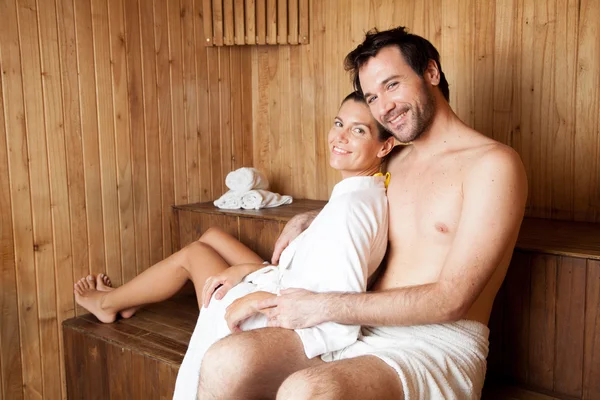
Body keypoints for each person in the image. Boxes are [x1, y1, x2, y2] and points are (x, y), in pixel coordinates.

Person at [196, 26, 528, 400]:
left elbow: (451, 300)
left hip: (435, 345)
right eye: (372, 96)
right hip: (360, 326)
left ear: (431, 73)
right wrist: (308, 219)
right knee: (225, 360)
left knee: (308, 391)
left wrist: (322, 307)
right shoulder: (394, 161)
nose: (384, 106)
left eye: (392, 85)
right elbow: (354, 209)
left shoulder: (493, 165)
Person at [72, 92, 395, 398]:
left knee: (195, 254)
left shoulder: (350, 208)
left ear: (384, 146)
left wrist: (258, 290)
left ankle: (108, 304)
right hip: (284, 280)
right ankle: (128, 301)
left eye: (358, 131)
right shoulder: (363, 192)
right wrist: (255, 266)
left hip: (267, 316)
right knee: (212, 235)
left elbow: (338, 304)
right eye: (338, 124)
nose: (339, 137)